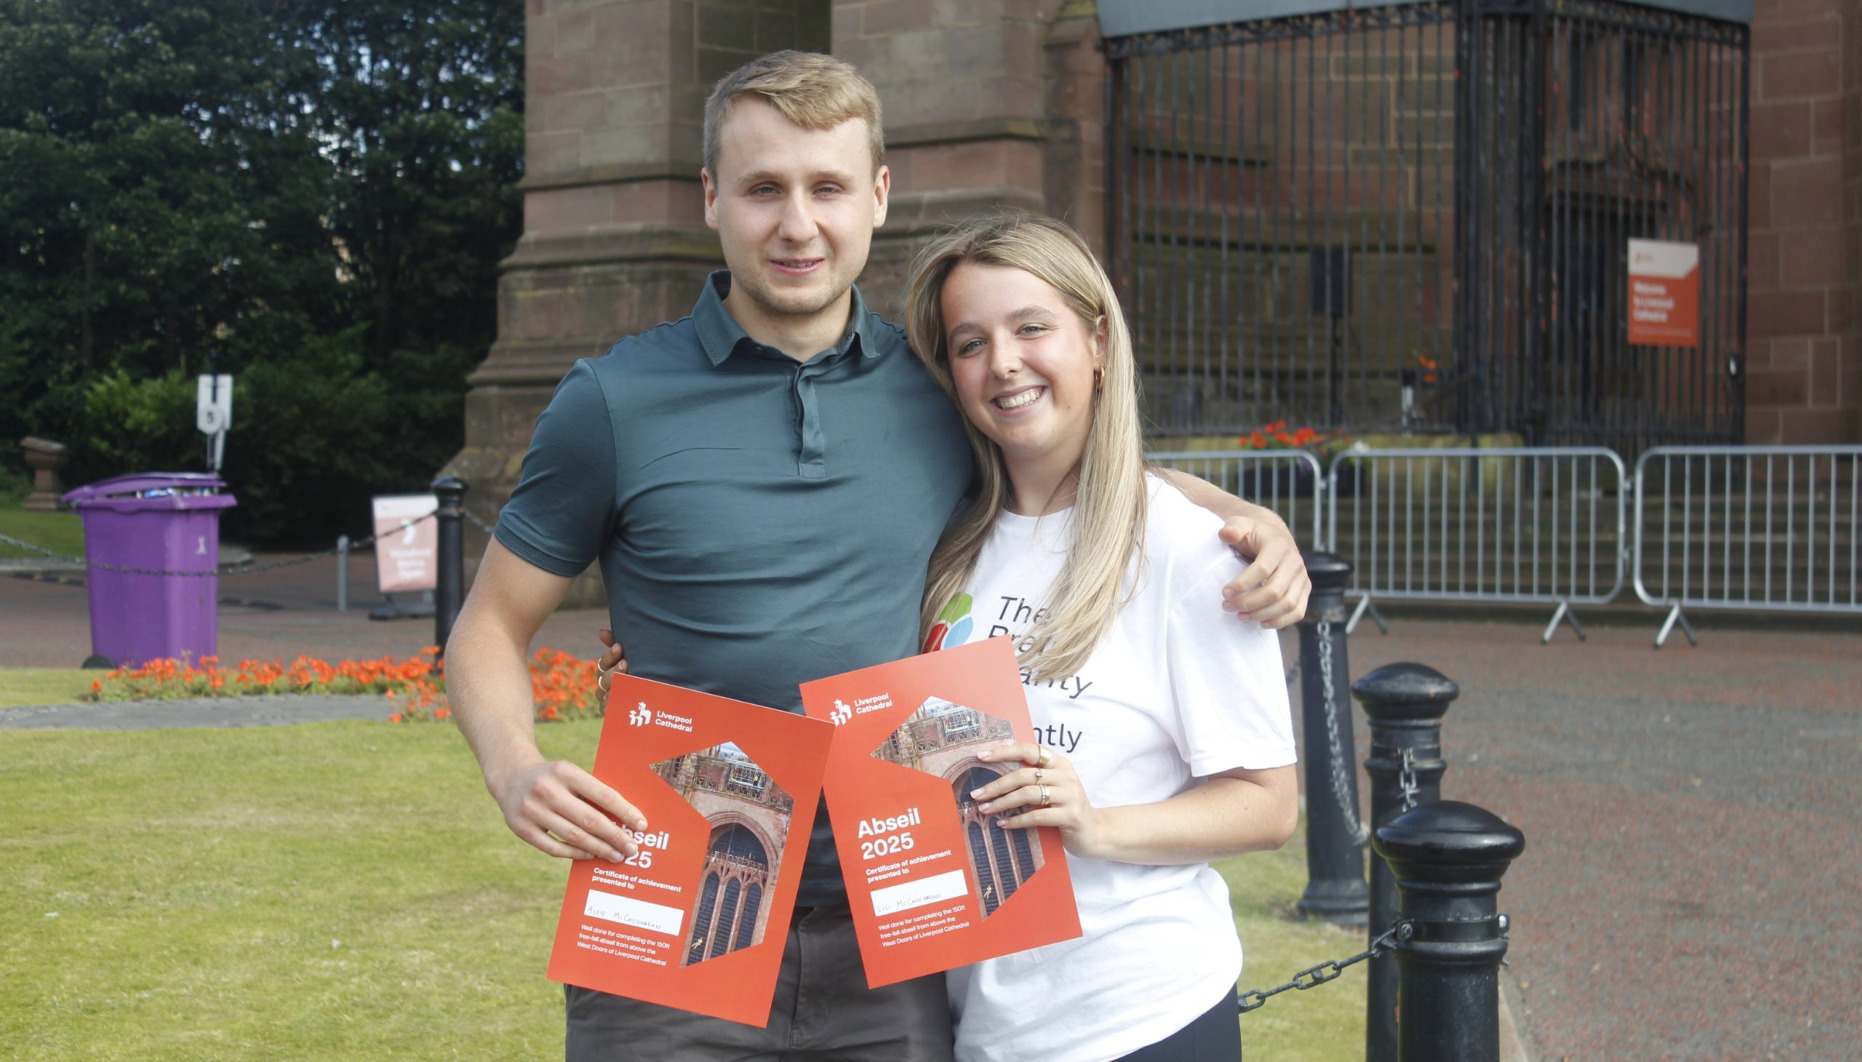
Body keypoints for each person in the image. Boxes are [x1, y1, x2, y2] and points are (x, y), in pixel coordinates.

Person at [447, 51, 1308, 1061]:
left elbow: (1075, 453)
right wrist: (514, 772)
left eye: (827, 187)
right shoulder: (610, 403)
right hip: (671, 887)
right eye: (763, 188)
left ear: (877, 198)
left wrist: (1240, 516)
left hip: (898, 907)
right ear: (712, 198)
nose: (797, 224)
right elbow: (487, 627)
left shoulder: (938, 388)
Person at [903, 213, 1299, 1062]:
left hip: (1138, 1018)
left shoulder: (1189, 550)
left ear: (1098, 340)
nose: (1003, 361)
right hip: (980, 1023)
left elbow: (1269, 804)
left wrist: (1096, 823)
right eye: (970, 342)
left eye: (1031, 327)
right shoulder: (944, 545)